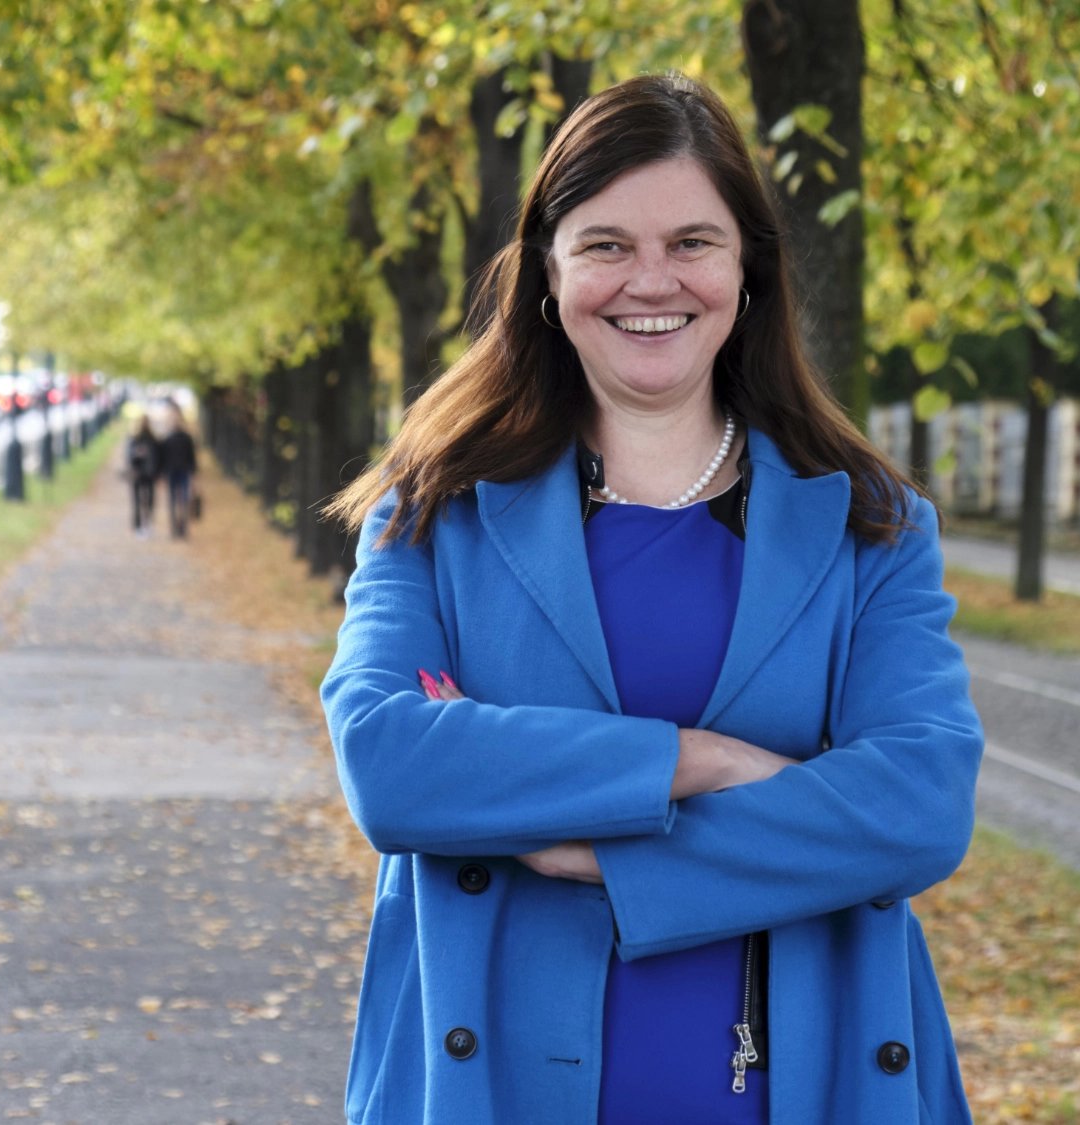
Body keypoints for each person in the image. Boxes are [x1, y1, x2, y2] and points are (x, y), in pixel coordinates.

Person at [320, 75, 984, 1123]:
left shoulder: (871, 524)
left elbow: (919, 806)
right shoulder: (435, 509)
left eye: (691, 242)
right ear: (547, 272)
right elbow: (390, 764)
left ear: (746, 268)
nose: (650, 280)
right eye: (605, 245)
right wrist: (702, 762)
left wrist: (599, 852)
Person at [159, 399, 198, 538]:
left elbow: (192, 457)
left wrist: (193, 475)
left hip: (183, 471)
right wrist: (162, 474)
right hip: (171, 472)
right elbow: (162, 458)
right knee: (173, 501)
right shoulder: (167, 438)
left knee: (183, 500)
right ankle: (174, 527)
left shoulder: (186, 438)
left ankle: (183, 527)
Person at [125, 413, 162, 538]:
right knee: (139, 500)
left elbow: (158, 457)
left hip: (148, 473)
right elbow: (130, 456)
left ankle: (145, 522)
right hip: (140, 473)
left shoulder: (152, 440)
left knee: (148, 500)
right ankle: (139, 524)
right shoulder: (137, 439)